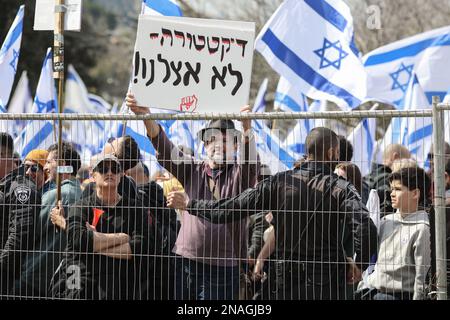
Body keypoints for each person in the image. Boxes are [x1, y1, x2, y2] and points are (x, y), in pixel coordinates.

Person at [167, 127, 378, 300]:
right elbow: (365, 226)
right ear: (332, 153)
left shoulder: (279, 182)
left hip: (283, 280)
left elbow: (229, 208)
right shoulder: (341, 188)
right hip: (326, 281)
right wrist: (359, 265)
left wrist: (192, 204)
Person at [126, 92, 260, 300]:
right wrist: (146, 116)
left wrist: (247, 128)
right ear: (205, 145)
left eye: (225, 140)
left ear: (236, 145)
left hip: (224, 266)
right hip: (187, 261)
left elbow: (252, 163)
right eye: (212, 139)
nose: (217, 145)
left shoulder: (240, 174)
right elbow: (164, 146)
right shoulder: (192, 169)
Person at [49, 154, 152, 299]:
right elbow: (78, 239)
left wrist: (93, 245)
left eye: (115, 169)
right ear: (93, 175)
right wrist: (122, 237)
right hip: (83, 287)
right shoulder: (80, 207)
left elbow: (141, 247)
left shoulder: (135, 208)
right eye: (103, 169)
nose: (110, 172)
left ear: (121, 175)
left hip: (120, 287)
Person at [19, 142, 82, 297]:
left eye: (48, 162)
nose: (45, 168)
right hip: (63, 276)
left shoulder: (57, 194)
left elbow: (29, 230)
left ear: (61, 165)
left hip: (37, 273)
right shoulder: (82, 194)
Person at [365, 167, 431, 300]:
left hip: (401, 295)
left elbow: (421, 276)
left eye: (398, 189)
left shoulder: (422, 229)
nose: (392, 193)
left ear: (415, 193)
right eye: (392, 188)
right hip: (374, 292)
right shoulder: (385, 221)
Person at [0, 149, 47, 295]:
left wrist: (1, 264)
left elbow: (20, 234)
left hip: (25, 274)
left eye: (34, 168)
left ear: (45, 171)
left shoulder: (32, 191)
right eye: (25, 167)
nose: (28, 172)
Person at [364, 144, 411, 217]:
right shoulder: (389, 180)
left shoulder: (369, 176)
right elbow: (385, 214)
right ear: (395, 157)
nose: (408, 166)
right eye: (406, 160)